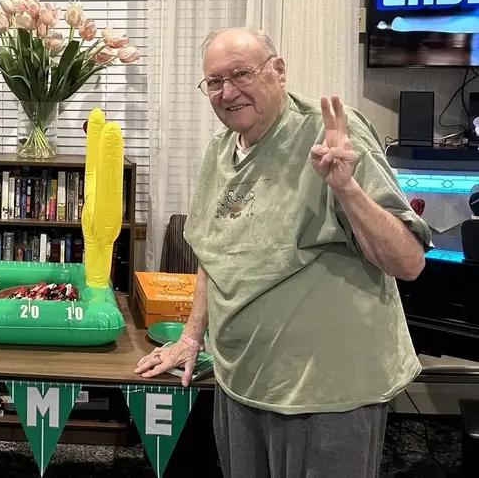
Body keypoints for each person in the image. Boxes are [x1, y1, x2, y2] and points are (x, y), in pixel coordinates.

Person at [135, 27, 431, 478]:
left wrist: (347, 189)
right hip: (241, 382)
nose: (228, 92)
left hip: (326, 392)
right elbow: (213, 254)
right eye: (214, 81)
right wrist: (191, 338)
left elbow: (408, 263)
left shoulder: (330, 132)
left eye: (241, 74)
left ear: (278, 71)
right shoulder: (219, 149)